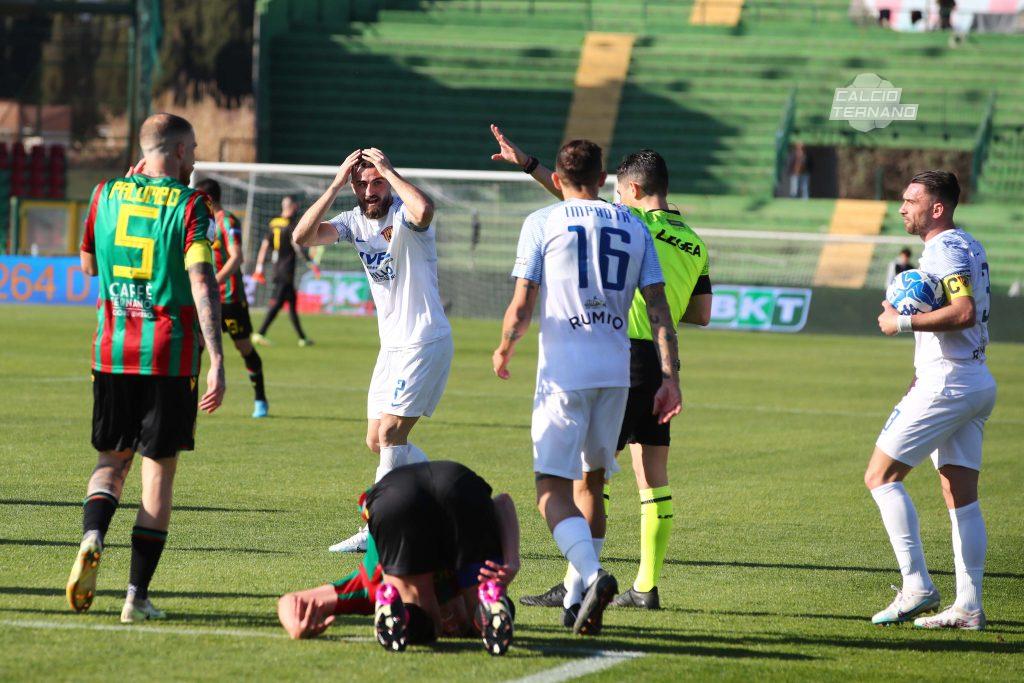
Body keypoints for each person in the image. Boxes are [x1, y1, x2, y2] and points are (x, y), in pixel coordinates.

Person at [490, 126, 711, 611]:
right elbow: (700, 313)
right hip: (657, 360)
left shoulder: (628, 220)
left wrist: (529, 165)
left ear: (632, 188)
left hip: (611, 352)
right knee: (652, 477)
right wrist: (672, 372)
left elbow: (577, 206)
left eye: (621, 191)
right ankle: (644, 586)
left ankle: (582, 578)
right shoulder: (692, 240)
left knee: (584, 481)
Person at [67, 112, 225, 623]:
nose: (195, 158)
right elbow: (201, 279)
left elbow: (88, 266)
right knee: (158, 474)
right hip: (168, 355)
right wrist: (217, 357)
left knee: (111, 461)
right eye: (193, 149)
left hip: (112, 351)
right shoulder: (192, 204)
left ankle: (93, 535)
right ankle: (135, 597)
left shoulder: (104, 194)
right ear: (178, 151)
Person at [292, 148, 453, 553]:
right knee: (377, 441)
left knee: (391, 433)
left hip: (423, 339)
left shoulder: (404, 214)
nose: (370, 190)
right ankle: (444, 500)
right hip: (391, 347)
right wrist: (334, 184)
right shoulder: (352, 221)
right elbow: (302, 237)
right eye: (362, 183)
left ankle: (379, 527)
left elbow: (425, 210)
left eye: (376, 182)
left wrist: (389, 170)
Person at [869, 170, 995, 630]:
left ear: (936, 208)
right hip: (972, 379)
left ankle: (916, 584)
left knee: (881, 477)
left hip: (948, 384)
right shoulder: (968, 244)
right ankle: (969, 606)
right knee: (960, 496)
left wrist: (899, 322)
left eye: (911, 200)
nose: (902, 207)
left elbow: (963, 312)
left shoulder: (944, 249)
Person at [277, 461, 519, 655]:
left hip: (401, 494)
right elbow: (503, 503)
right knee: (480, 597)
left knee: (430, 624)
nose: (453, 628)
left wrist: (293, 624)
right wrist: (511, 561)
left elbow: (290, 600)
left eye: (450, 627)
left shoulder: (370, 587)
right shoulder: (465, 577)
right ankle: (486, 607)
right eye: (458, 625)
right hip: (452, 481)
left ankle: (405, 617)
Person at [194, 178, 269, 418]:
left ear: (207, 198)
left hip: (229, 299)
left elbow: (237, 257)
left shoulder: (227, 221)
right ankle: (188, 399)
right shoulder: (200, 221)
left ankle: (260, 399)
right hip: (206, 299)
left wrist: (214, 282)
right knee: (195, 348)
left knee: (243, 347)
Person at [251, 195, 318, 347]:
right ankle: (260, 333)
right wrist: (310, 262)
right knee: (278, 304)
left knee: (292, 304)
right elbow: (296, 245)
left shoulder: (273, 223)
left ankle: (302, 338)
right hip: (287, 269)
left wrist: (259, 268)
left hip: (276, 268)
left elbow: (264, 246)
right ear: (293, 206)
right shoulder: (291, 224)